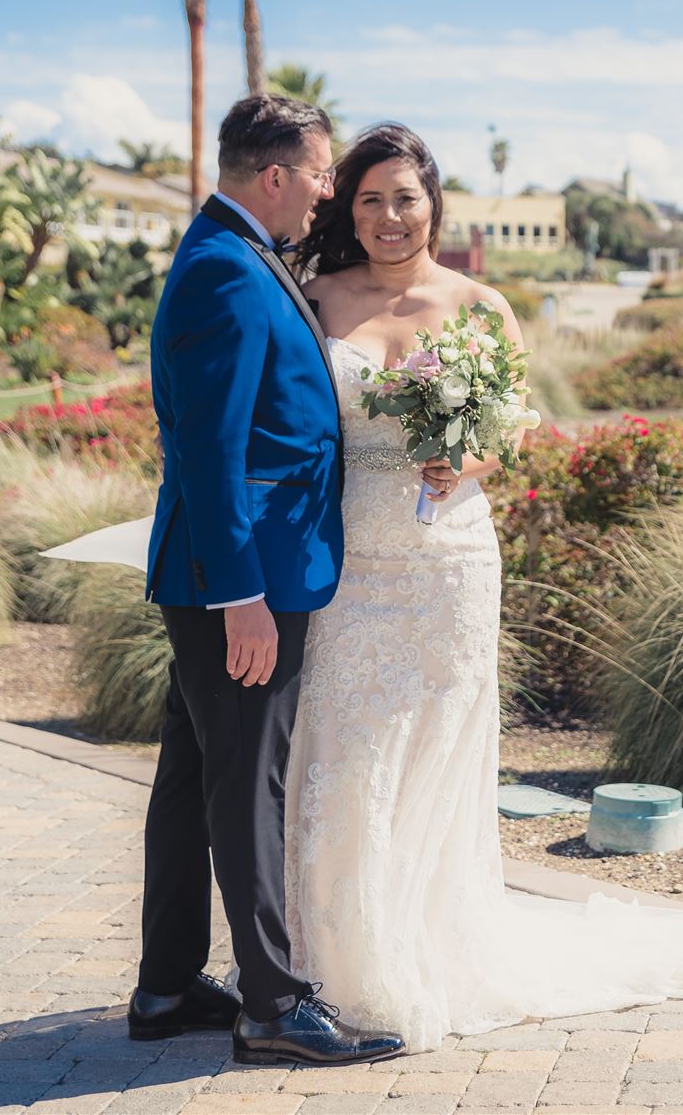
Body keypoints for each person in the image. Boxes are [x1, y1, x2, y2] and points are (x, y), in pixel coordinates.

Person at [287, 122, 683, 1049]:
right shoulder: (316, 301)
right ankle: (334, 960)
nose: (390, 217)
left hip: (451, 562)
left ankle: (420, 950)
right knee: (347, 749)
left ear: (435, 202)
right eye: (370, 200)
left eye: (406, 197)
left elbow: (516, 427)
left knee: (435, 752)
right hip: (348, 558)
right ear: (349, 210)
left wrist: (462, 462)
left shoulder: (479, 303)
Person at [131, 95, 403, 1067]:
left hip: (224, 570)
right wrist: (240, 595)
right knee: (250, 785)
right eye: (324, 172)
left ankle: (166, 986)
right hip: (240, 579)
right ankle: (275, 1006)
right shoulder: (225, 273)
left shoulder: (230, 254)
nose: (331, 188)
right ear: (277, 176)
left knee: (193, 776)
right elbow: (209, 451)